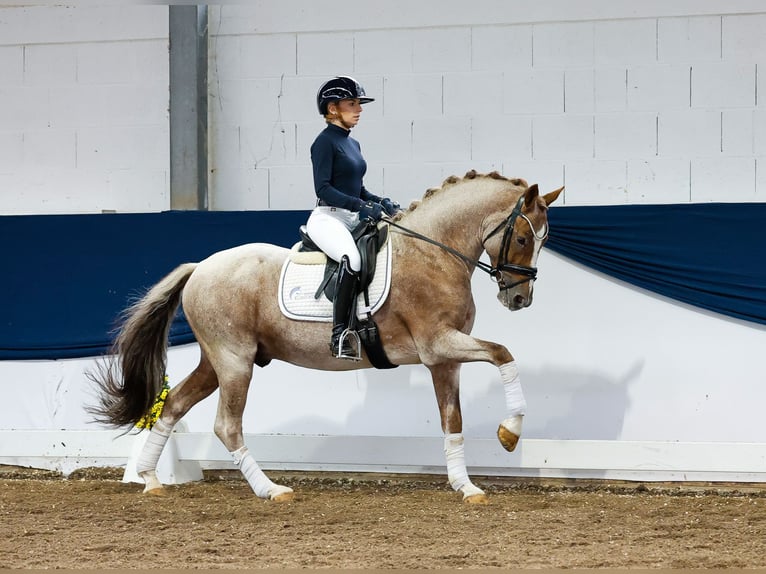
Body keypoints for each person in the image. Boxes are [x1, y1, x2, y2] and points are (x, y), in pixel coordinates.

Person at [306, 76, 401, 360]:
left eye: (359, 104)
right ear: (333, 108)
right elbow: (323, 188)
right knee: (353, 259)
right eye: (352, 103)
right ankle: (340, 334)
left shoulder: (353, 144)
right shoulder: (323, 143)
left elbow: (356, 186)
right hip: (328, 218)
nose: (359, 109)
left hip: (350, 215)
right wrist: (360, 205)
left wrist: (377, 200)